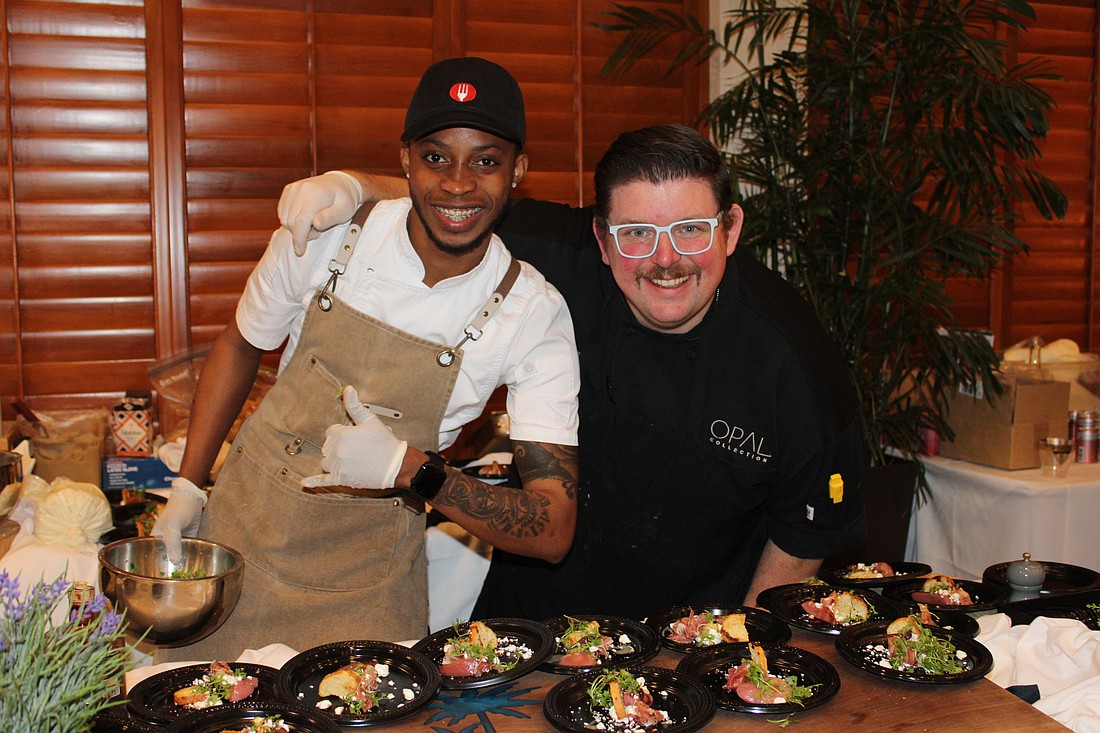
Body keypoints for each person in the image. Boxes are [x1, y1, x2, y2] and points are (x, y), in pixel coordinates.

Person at [277, 123, 867, 621]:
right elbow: (456, 196)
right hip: (525, 624)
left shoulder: (796, 362)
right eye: (636, 233)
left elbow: (802, 537)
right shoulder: (559, 260)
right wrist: (349, 188)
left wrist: (740, 662)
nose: (666, 260)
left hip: (682, 641)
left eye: (691, 229)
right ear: (602, 240)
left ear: (731, 229)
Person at [151, 57, 580, 659]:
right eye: (435, 157)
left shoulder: (531, 313)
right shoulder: (326, 235)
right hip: (243, 537)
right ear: (404, 159)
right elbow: (242, 341)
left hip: (370, 585)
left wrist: (415, 472)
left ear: (518, 172)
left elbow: (553, 529)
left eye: (485, 160)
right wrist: (190, 486)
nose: (458, 184)